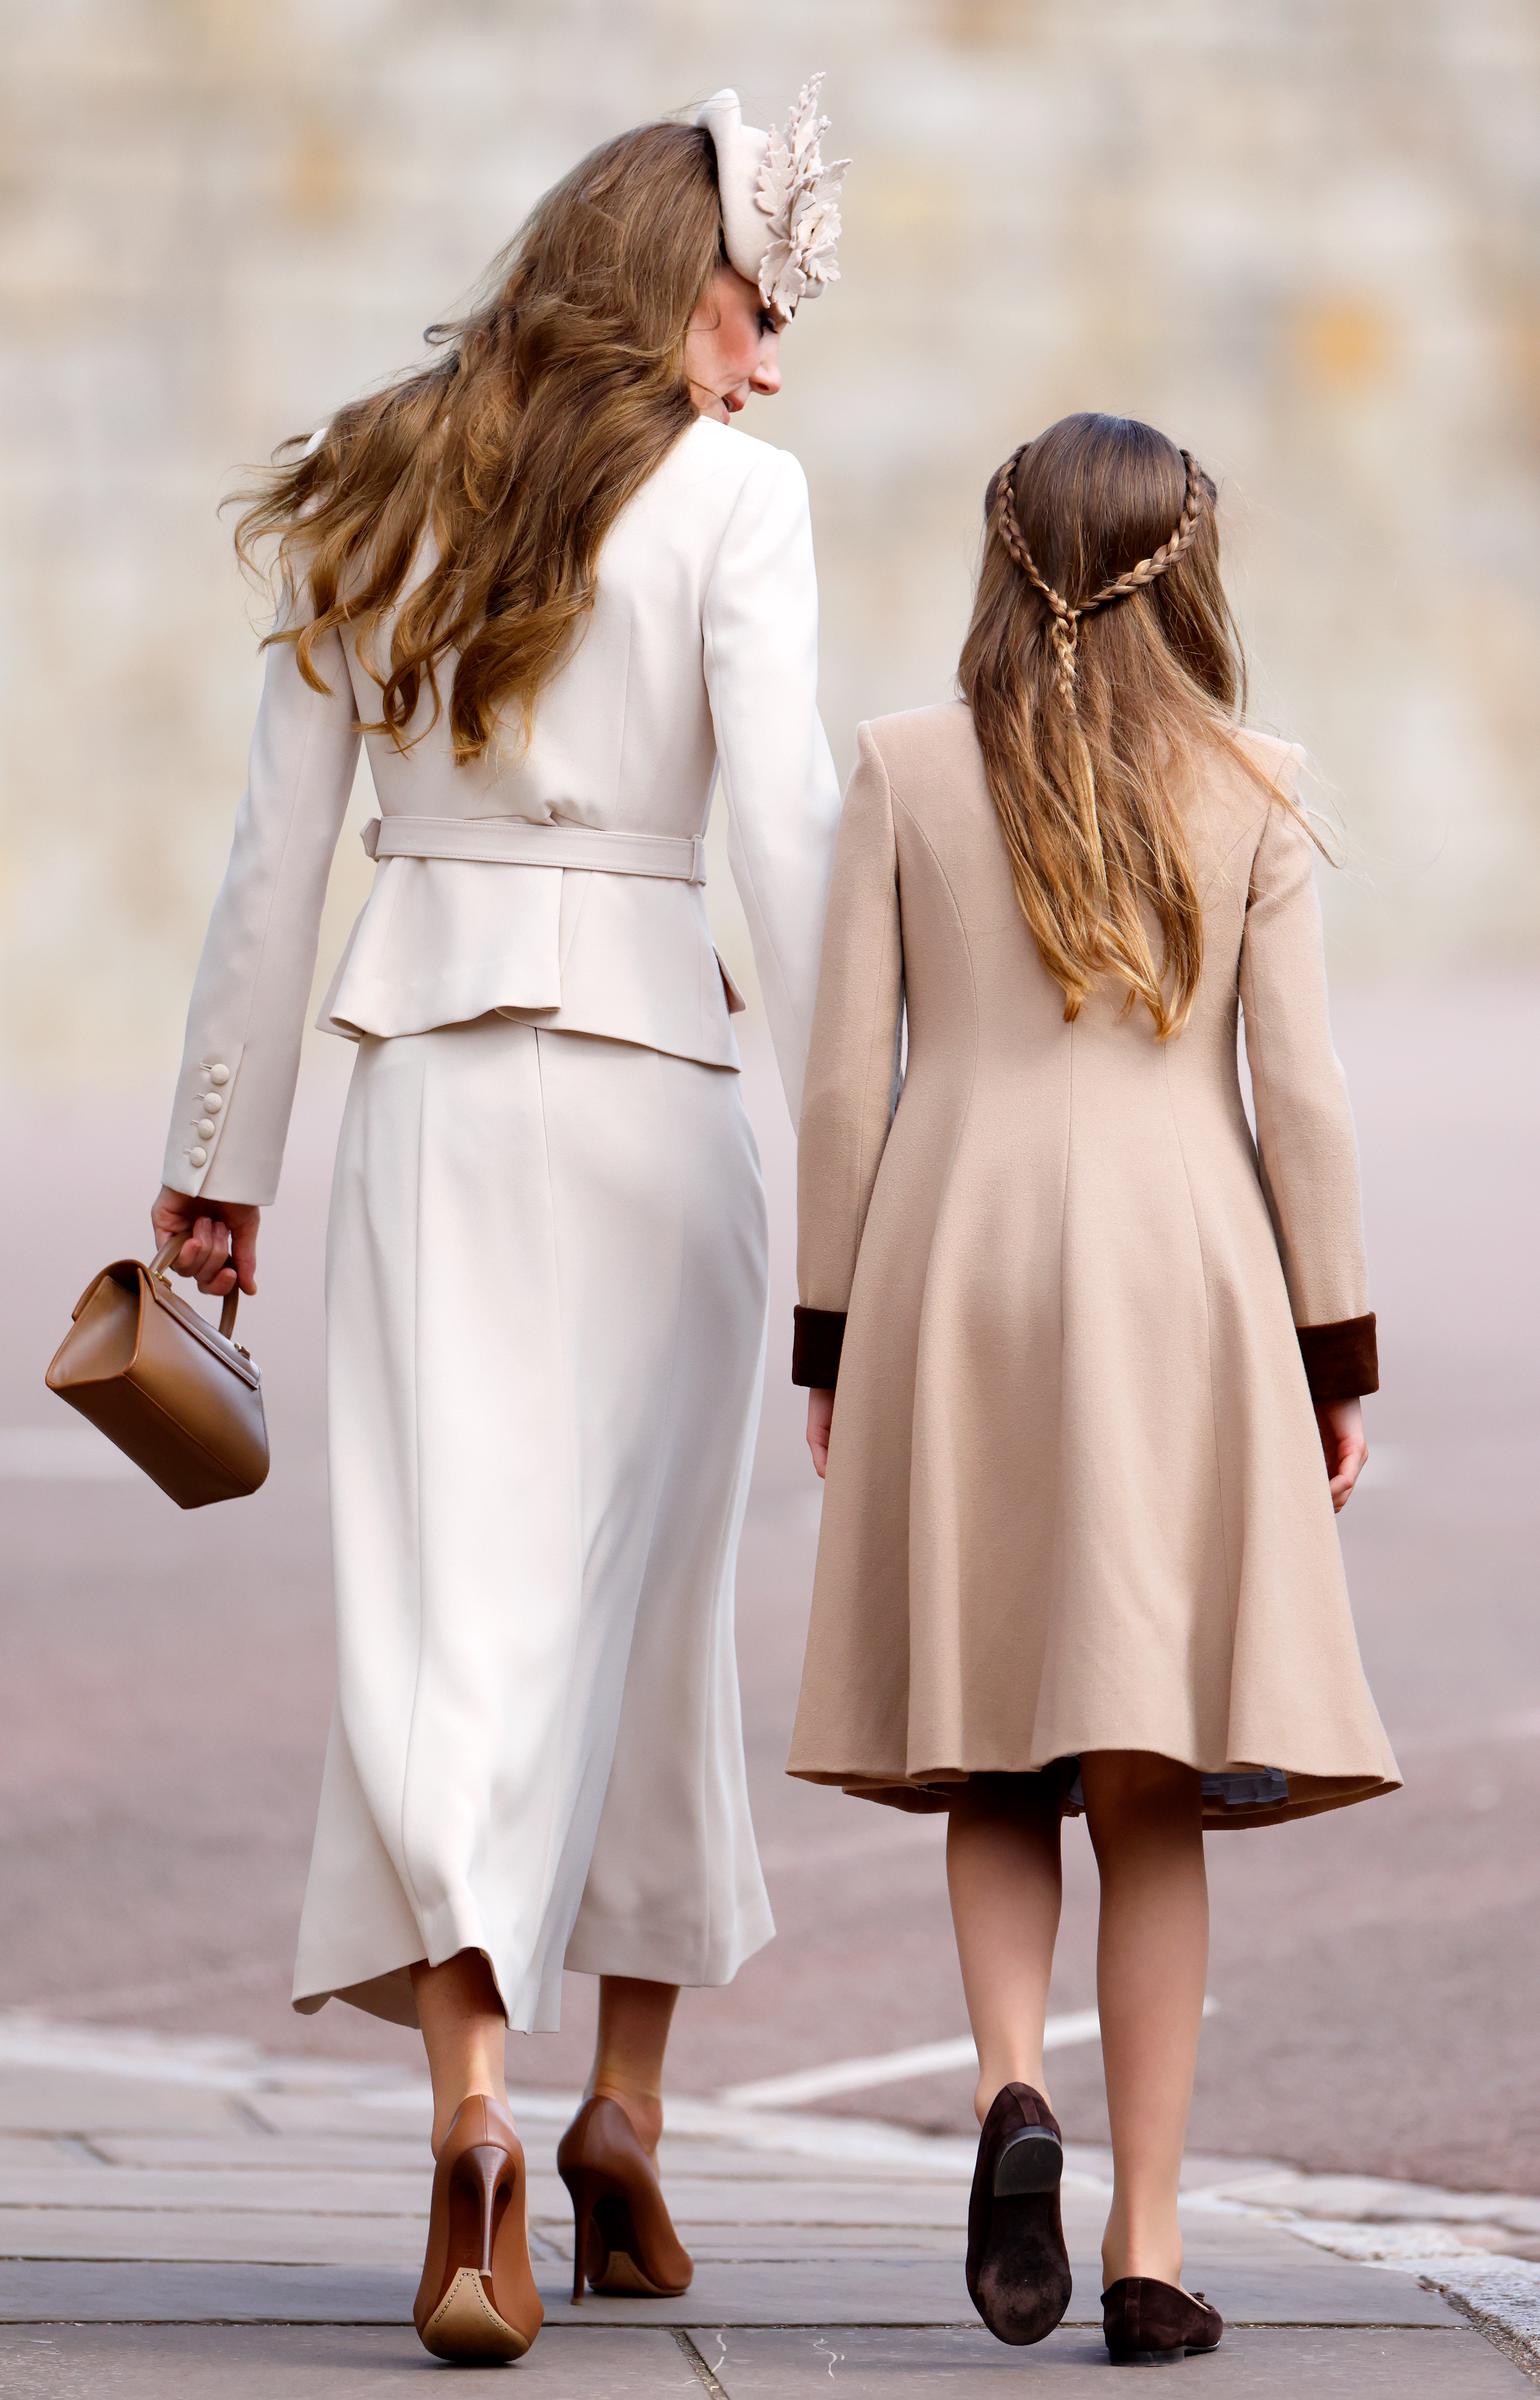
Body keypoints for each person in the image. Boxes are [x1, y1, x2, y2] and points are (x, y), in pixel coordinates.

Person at [150, 79, 848, 2363]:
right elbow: (793, 852)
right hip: (662, 1090)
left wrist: (215, 1165)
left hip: (429, 1089)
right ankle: (623, 2111)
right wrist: (873, 1159)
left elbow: (276, 874)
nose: (767, 360)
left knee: (455, 1607)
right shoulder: (741, 502)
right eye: (757, 305)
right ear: (678, 286)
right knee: (651, 1610)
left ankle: (473, 2123)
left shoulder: (376, 482)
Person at [787, 412, 1399, 2368]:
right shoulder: (1254, 786)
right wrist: (1331, 1352)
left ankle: (998, 2094)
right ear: (1184, 570)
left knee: (991, 1743)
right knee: (1146, 1781)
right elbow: (1292, 1099)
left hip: (951, 1267)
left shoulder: (896, 769)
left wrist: (825, 1336)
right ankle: (1141, 2246)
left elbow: (832, 1088)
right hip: (1180, 1285)